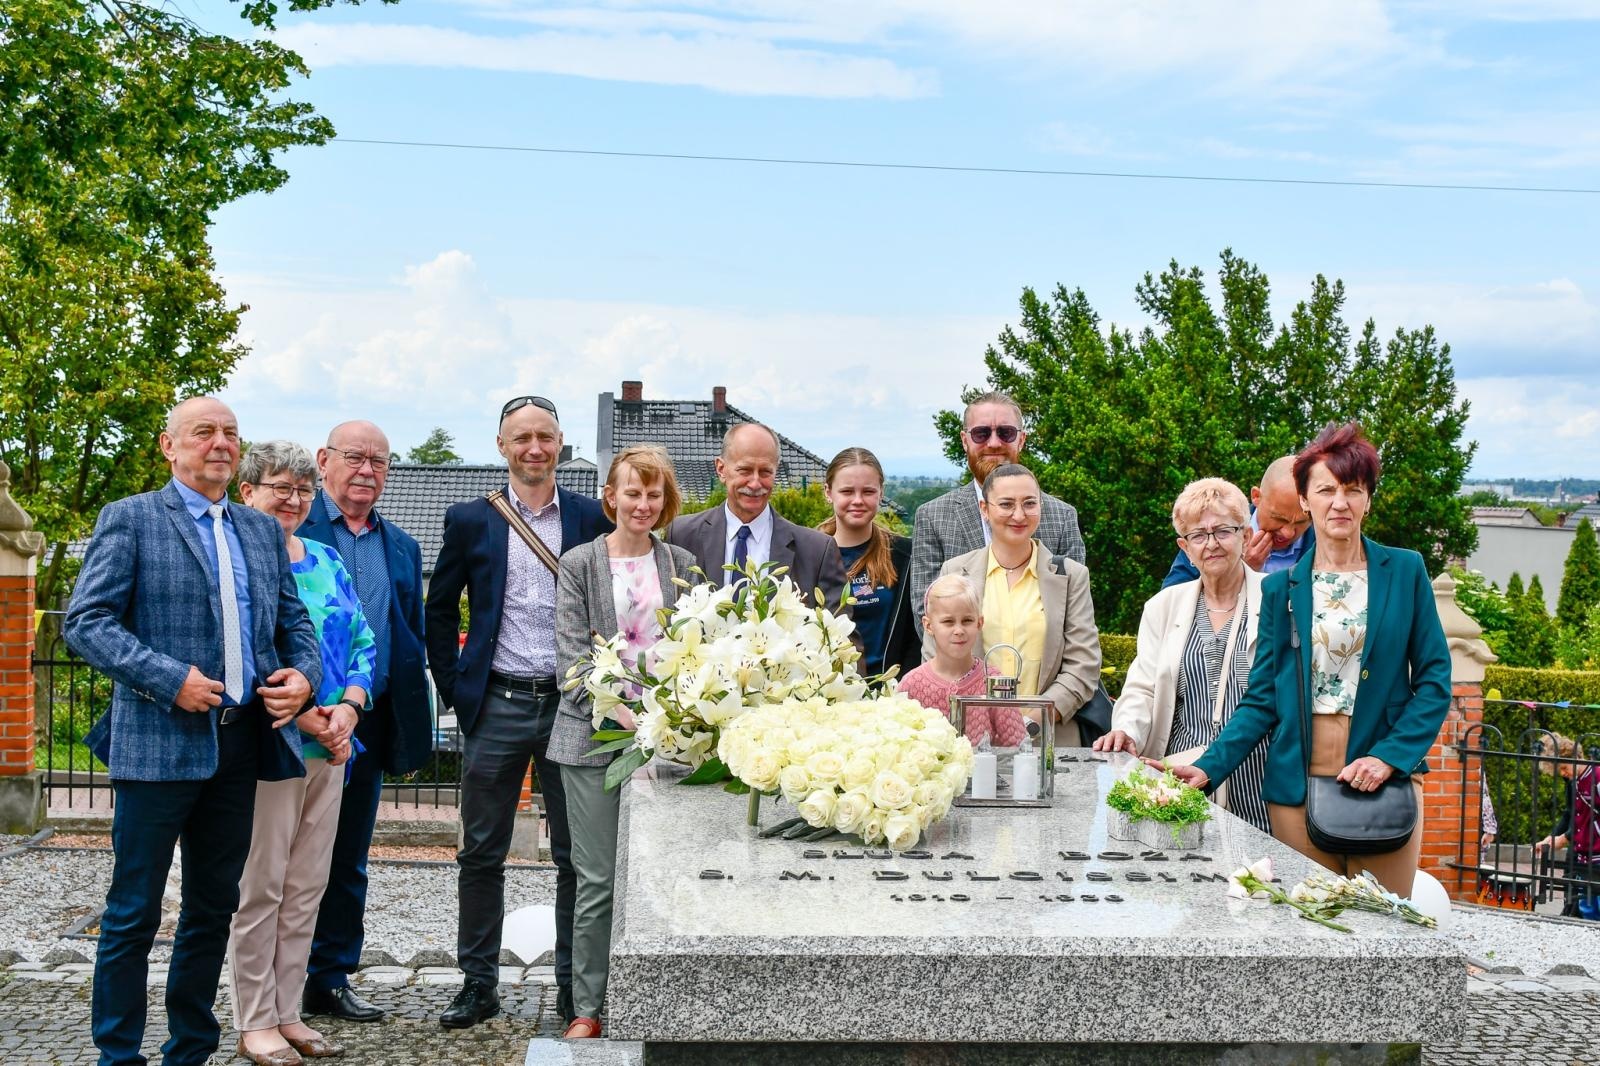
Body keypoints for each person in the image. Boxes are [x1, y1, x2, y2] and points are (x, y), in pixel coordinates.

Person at [64, 397, 320, 1066]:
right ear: (168, 447)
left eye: (232, 433)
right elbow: (86, 623)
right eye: (203, 432)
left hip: (240, 745)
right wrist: (168, 677)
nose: (220, 443)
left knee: (213, 910)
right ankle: (118, 1054)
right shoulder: (132, 520)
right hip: (156, 744)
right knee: (133, 913)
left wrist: (304, 677)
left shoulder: (259, 531)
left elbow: (294, 624)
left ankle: (191, 1050)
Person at [1161, 422, 1452, 897]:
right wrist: (1209, 766)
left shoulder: (1405, 570)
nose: (1340, 502)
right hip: (1296, 783)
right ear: (1305, 500)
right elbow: (1261, 701)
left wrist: (1389, 757)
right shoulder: (1280, 589)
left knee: (1386, 924)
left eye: (1353, 490)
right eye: (1326, 490)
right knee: (1311, 928)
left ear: (1368, 500)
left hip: (1384, 776)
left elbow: (1436, 679)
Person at [425, 395, 612, 1029]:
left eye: (546, 436)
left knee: (575, 857)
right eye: (521, 437)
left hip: (574, 707)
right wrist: (457, 690)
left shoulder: (592, 516)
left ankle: (572, 987)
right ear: (502, 446)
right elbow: (441, 606)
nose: (534, 447)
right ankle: (477, 984)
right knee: (480, 851)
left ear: (561, 443)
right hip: (498, 702)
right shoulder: (470, 519)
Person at [549, 446, 700, 1039]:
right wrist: (621, 715)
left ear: (666, 501)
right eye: (632, 493)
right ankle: (588, 1007)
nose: (643, 504)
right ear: (611, 496)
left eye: (654, 494)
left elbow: (698, 651)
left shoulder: (682, 561)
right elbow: (570, 661)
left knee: (668, 874)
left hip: (673, 744)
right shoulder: (579, 563)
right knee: (599, 880)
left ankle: (661, 998)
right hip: (593, 740)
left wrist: (672, 719)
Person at [229, 442, 368, 1064]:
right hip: (273, 744)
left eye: (303, 490)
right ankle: (254, 1017)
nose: (292, 499)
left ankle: (289, 1012)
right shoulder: (237, 560)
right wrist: (311, 716)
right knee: (262, 885)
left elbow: (363, 638)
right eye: (280, 487)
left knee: (308, 884)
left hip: (331, 747)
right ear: (248, 492)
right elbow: (247, 651)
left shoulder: (326, 558)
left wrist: (349, 709)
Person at [299, 420, 430, 1024]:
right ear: (324, 461)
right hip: (294, 726)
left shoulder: (401, 545)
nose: (367, 470)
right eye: (354, 457)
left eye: (379, 461)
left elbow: (408, 632)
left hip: (366, 725)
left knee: (348, 858)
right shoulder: (292, 527)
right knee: (283, 859)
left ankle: (329, 977)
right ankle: (276, 979)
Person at [1092, 478, 1271, 833]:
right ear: (1185, 548)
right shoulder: (1163, 607)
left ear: (1245, 536)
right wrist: (1126, 729)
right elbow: (1142, 686)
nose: (1211, 544)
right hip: (1180, 781)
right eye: (1198, 535)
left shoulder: (1277, 599)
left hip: (1259, 780)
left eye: (1223, 530)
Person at [928, 464, 1101, 747]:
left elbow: (1083, 666)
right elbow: (935, 657)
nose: (1019, 515)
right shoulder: (955, 572)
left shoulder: (1070, 576)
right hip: (969, 741)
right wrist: (978, 724)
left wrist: (1030, 724)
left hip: (1050, 740)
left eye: (1029, 503)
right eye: (1006, 504)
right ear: (984, 509)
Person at [909, 391, 1085, 634]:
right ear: (964, 440)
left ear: (1021, 440)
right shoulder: (933, 517)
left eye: (1005, 433)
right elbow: (926, 614)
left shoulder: (1062, 517)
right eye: (981, 433)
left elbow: (1074, 618)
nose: (993, 443)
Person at [668, 422, 847, 610]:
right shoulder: (682, 535)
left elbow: (841, 635)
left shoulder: (816, 550)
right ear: (721, 469)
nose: (755, 483)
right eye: (745, 470)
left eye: (765, 472)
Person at [819, 447, 919, 679]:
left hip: (889, 694)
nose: (857, 500)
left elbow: (916, 635)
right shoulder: (808, 554)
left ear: (881, 493)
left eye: (867, 491)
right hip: (826, 693)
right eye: (846, 491)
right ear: (828, 492)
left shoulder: (906, 555)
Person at [898, 575, 1023, 746]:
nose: (959, 630)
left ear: (979, 623)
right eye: (948, 622)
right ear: (928, 626)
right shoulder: (911, 685)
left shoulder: (994, 681)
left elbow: (1018, 746)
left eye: (967, 621)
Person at [1159, 456, 1313, 588]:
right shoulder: (1215, 529)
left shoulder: (1325, 542)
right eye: (1279, 518)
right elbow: (1171, 599)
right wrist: (1237, 571)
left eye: (1302, 522)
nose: (1288, 532)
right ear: (1256, 496)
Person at [1532, 734, 1600, 920]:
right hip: (1584, 854)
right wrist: (1552, 837)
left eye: (1563, 767)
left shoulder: (1597, 776)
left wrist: (1565, 838)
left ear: (1576, 757)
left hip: (1597, 851)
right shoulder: (1574, 783)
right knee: (1587, 905)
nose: (1562, 773)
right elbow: (1571, 814)